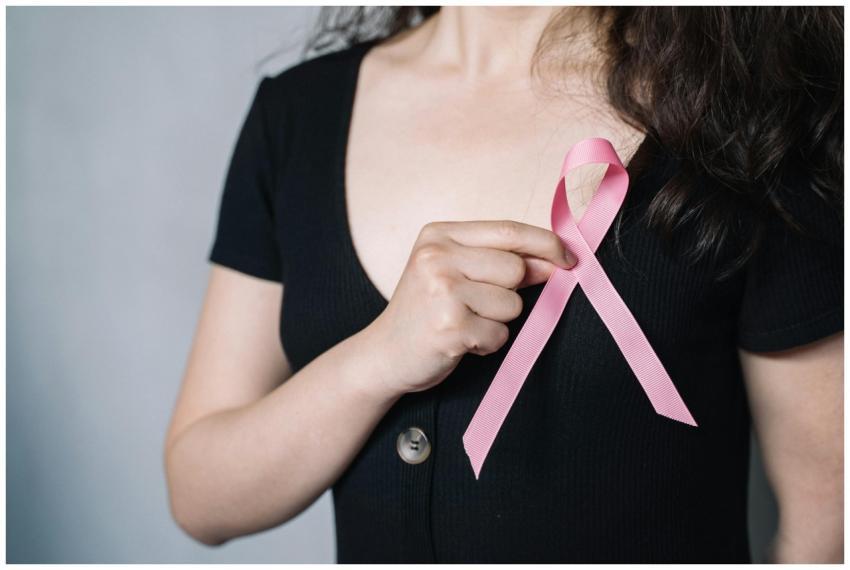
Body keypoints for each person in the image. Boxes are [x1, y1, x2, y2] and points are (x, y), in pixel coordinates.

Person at [164, 6, 843, 563]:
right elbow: (201, 495)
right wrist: (374, 360)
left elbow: (827, 518)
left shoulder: (753, 117)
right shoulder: (295, 116)